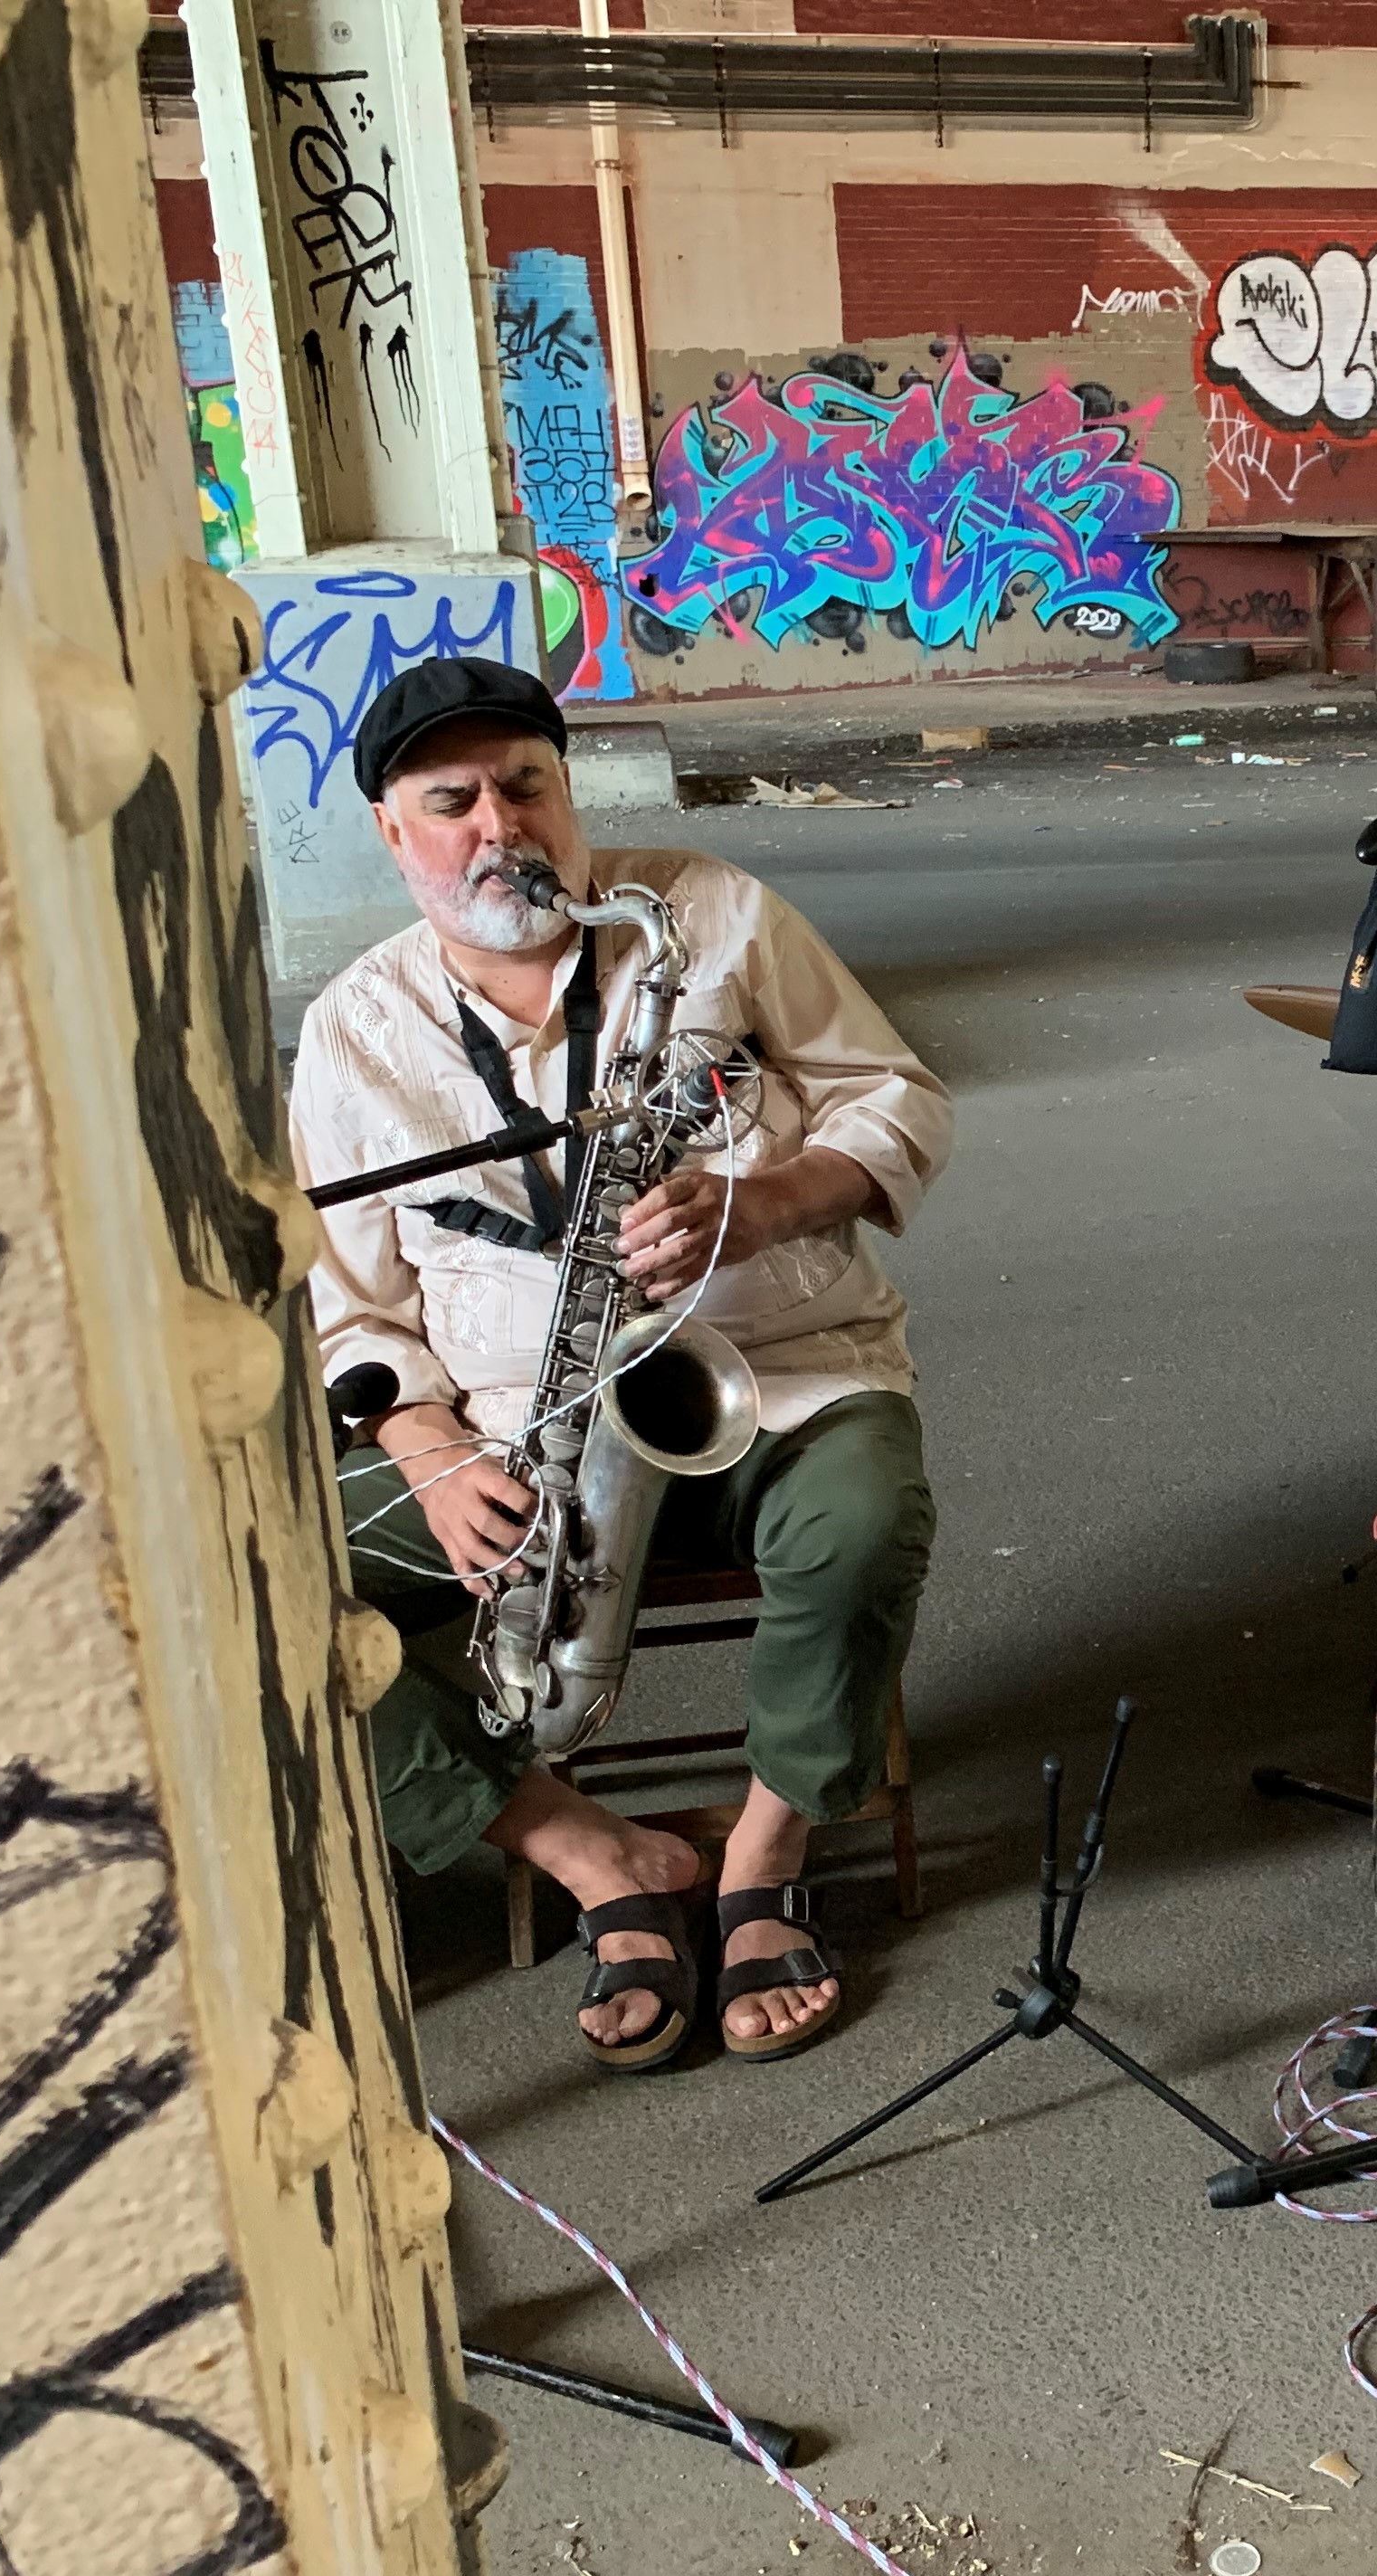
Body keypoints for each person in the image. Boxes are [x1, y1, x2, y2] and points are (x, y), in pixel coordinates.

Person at [290, 658, 948, 2076]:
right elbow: (347, 1304)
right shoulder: (356, 1026)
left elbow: (895, 1094)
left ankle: (766, 1859)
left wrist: (767, 1199)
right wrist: (426, 1449)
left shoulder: (711, 917)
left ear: (566, 795)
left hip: (779, 1375)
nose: (499, 829)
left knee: (864, 1525)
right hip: (507, 1434)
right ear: (394, 835)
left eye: (526, 787)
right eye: (450, 802)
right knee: (263, 1575)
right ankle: (598, 1856)